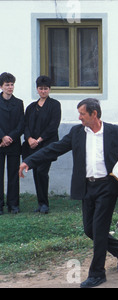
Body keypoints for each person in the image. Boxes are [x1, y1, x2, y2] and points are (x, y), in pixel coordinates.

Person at [19, 98, 118, 288]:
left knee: (100, 229)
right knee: (90, 230)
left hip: (107, 187)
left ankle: (97, 274)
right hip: (87, 187)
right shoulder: (77, 132)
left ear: (94, 114)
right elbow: (54, 148)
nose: (79, 117)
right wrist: (29, 161)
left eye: (82, 114)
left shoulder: (115, 131)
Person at [22, 75, 61, 214]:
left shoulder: (55, 105)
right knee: (36, 174)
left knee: (42, 172)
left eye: (46, 89)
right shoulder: (31, 107)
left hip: (47, 145)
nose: (43, 91)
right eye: (40, 89)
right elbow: (25, 125)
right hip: (32, 146)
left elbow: (53, 126)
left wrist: (38, 140)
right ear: (37, 89)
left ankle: (45, 204)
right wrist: (29, 139)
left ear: (49, 89)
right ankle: (40, 203)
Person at [0, 72, 24, 215]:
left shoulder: (19, 103)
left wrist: (10, 138)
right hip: (0, 143)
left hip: (14, 143)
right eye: (7, 85)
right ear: (1, 86)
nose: (10, 87)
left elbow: (21, 123)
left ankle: (13, 204)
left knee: (14, 174)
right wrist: (2, 137)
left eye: (12, 84)